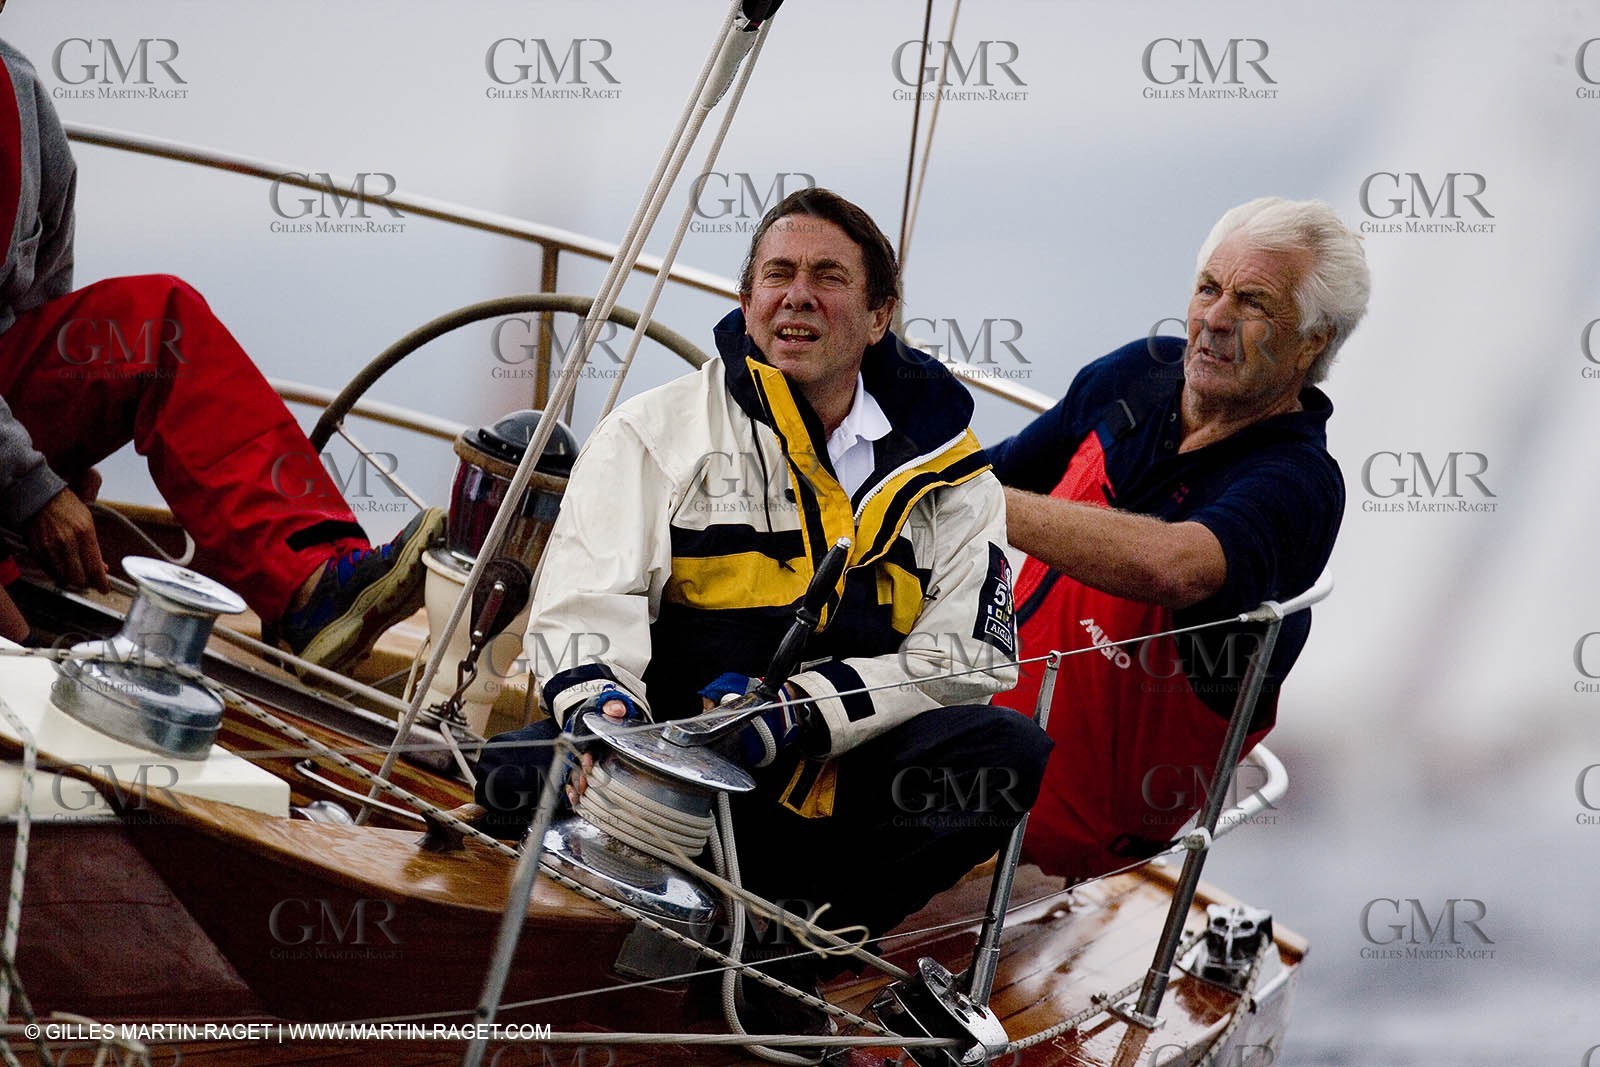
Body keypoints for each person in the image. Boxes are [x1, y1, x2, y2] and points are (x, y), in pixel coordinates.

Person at [475, 188, 1051, 1006]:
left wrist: (796, 715)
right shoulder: (658, 430)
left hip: (836, 792)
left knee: (1005, 753)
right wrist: (610, 727)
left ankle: (797, 941)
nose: (798, 295)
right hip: (667, 777)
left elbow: (967, 657)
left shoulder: (955, 479)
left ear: (880, 313)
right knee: (511, 771)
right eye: (776, 274)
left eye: (828, 276)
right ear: (746, 301)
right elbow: (584, 607)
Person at [0, 37, 440, 669]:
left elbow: (45, 310)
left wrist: (53, 467)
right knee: (19, 659)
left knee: (159, 322)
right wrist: (31, 489)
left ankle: (312, 586)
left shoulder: (20, 95)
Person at [987, 197, 1369, 882]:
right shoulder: (1136, 375)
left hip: (1055, 843)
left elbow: (1177, 567)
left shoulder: (1297, 481)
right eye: (1207, 288)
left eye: (1252, 303)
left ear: (1313, 341)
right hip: (966, 738)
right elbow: (998, 469)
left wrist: (960, 501)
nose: (1215, 319)